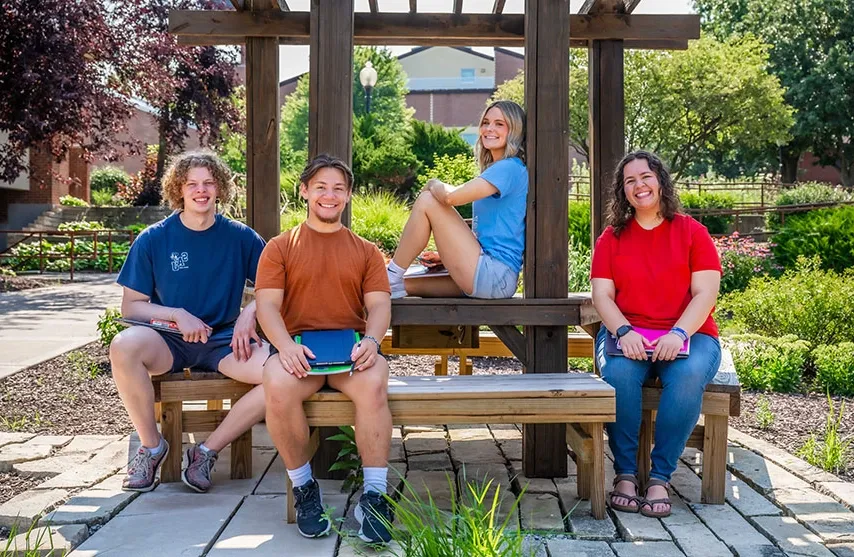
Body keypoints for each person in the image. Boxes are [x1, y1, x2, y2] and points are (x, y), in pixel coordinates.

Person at [110, 151, 268, 493]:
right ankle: (152, 447)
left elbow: (276, 289)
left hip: (225, 340)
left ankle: (206, 450)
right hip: (169, 340)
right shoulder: (154, 238)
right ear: (178, 189)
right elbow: (132, 308)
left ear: (220, 188)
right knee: (123, 347)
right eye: (192, 183)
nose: (201, 190)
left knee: (283, 373)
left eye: (209, 182)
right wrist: (176, 314)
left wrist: (249, 313)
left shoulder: (242, 237)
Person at [255, 154, 394, 543]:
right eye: (320, 187)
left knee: (374, 385)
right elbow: (266, 304)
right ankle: (304, 489)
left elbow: (380, 305)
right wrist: (283, 347)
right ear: (304, 191)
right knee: (276, 384)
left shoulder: (366, 251)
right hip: (299, 352)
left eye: (338, 188)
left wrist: (372, 341)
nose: (329, 196)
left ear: (348, 195)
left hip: (353, 352)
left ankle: (375, 498)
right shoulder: (280, 248)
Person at [590, 150, 722, 518]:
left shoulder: (693, 233)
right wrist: (623, 330)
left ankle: (661, 477)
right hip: (626, 333)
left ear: (661, 181)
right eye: (629, 181)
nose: (639, 185)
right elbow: (602, 295)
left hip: (690, 335)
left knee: (689, 374)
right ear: (623, 192)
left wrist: (678, 334)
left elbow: (705, 295)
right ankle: (626, 475)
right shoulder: (611, 238)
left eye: (645, 177)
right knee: (617, 375)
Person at [386, 100, 528, 299]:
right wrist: (448, 257)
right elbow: (492, 233)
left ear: (514, 130)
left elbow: (451, 197)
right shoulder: (500, 169)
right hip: (490, 275)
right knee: (396, 287)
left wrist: (432, 183)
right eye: (486, 122)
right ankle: (385, 287)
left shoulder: (509, 168)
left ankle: (391, 273)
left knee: (428, 200)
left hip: (494, 274)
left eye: (499, 124)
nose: (489, 129)